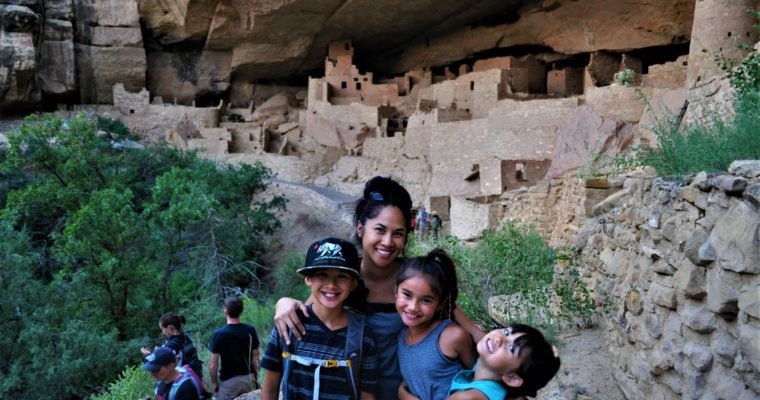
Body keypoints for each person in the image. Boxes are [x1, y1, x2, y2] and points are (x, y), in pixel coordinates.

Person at [274, 176, 484, 400]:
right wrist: (283, 303)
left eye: (398, 234)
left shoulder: (415, 281)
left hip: (410, 394)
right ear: (360, 227)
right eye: (380, 230)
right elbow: (311, 316)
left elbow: (471, 331)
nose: (388, 242)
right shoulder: (343, 280)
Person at [260, 237, 378, 400]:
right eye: (322, 275)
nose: (331, 284)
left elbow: (367, 395)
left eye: (342, 276)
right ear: (308, 279)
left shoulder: (363, 336)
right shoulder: (288, 325)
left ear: (353, 283)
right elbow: (270, 389)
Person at [396, 249, 477, 400]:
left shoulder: (452, 336)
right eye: (407, 295)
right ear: (395, 291)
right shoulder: (402, 337)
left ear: (440, 304)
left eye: (426, 300)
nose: (413, 307)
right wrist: (402, 392)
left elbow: (479, 378)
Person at [447, 324, 561, 400]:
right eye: (507, 332)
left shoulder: (468, 397)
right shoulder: (506, 390)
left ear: (512, 378)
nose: (499, 338)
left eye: (511, 349)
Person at [208, 297, 260, 400]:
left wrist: (214, 383)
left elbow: (213, 365)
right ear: (241, 311)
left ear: (225, 312)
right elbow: (256, 358)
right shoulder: (250, 330)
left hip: (228, 383)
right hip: (249, 379)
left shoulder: (218, 334)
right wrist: (256, 377)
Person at [141, 312, 203, 380]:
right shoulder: (184, 337)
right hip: (192, 375)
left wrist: (149, 355)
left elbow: (159, 363)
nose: (162, 332)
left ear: (170, 328)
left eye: (162, 329)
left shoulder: (173, 344)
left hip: (182, 379)